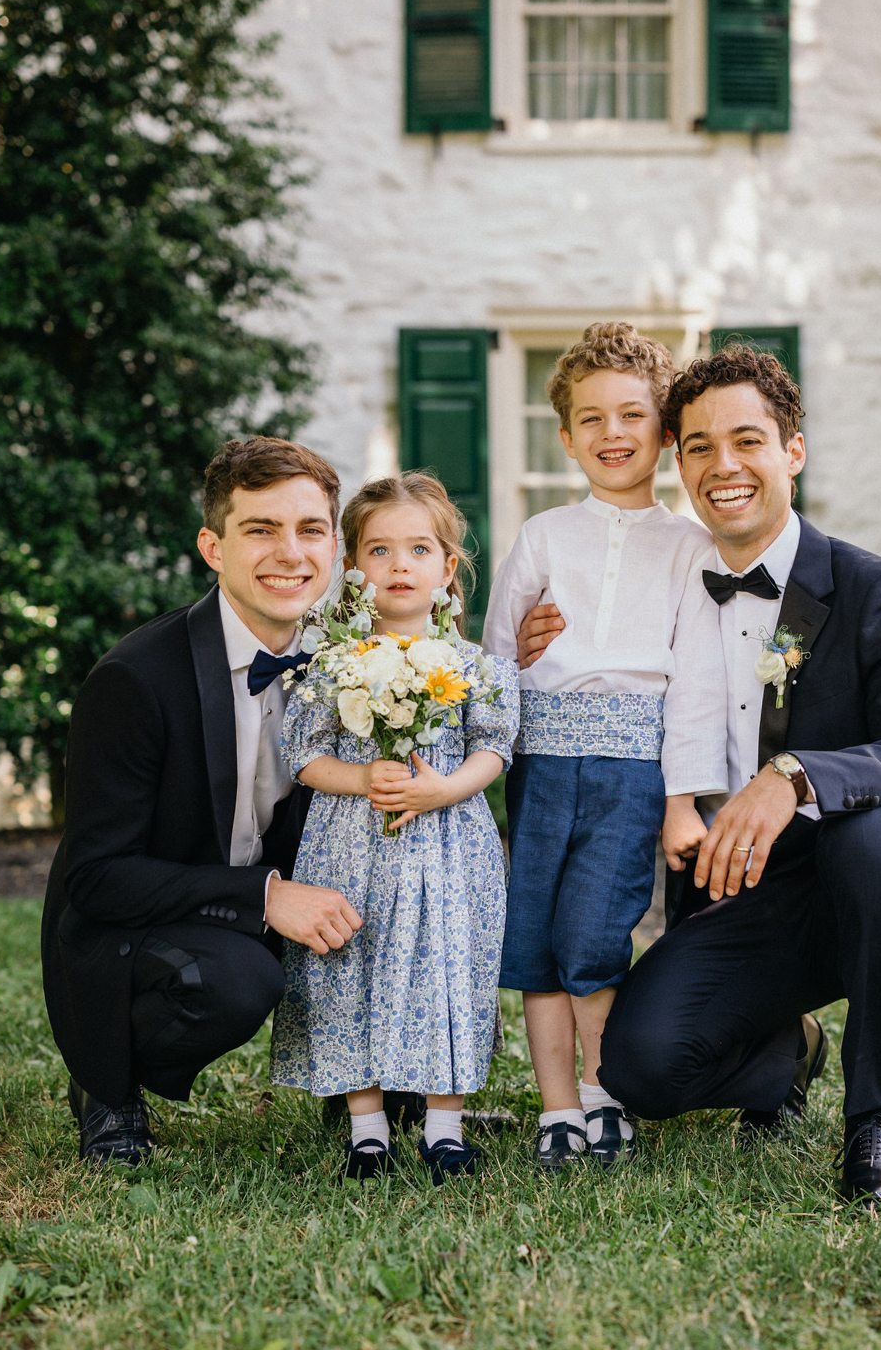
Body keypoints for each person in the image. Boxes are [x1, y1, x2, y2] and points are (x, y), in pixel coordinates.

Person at [515, 345, 881, 1204]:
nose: (723, 466)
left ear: (792, 451)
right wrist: (528, 647)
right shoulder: (665, 571)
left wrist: (792, 777)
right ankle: (787, 1052)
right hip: (741, 890)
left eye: (747, 441)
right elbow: (586, 654)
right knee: (641, 1069)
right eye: (697, 446)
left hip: (877, 878)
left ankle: (875, 1127)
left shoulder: (877, 591)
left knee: (870, 840)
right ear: (676, 460)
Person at [42, 437, 363, 1167]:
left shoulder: (350, 661)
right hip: (138, 920)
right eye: (261, 529)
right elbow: (97, 878)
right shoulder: (134, 679)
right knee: (236, 982)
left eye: (310, 530)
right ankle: (108, 1084)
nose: (291, 552)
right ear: (213, 547)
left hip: (265, 892)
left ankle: (383, 1095)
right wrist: (267, 897)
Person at [482, 323, 727, 1171]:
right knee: (536, 944)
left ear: (664, 431)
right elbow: (493, 655)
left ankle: (604, 1094)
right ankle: (557, 1110)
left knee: (593, 938)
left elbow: (695, 683)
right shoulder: (545, 536)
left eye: (633, 415)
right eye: (592, 419)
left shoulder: (690, 549)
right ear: (565, 436)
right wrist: (514, 658)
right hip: (541, 767)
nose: (613, 434)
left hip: (631, 772)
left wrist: (682, 799)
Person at [269, 473, 519, 1185]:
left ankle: (444, 1126)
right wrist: (359, 778)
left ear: (446, 568)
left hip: (450, 844)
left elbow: (494, 749)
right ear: (354, 569)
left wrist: (443, 788)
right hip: (351, 842)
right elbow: (304, 754)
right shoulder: (335, 663)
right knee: (350, 961)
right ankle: (367, 1127)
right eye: (379, 550)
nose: (399, 565)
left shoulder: (476, 667)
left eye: (417, 549)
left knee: (448, 968)